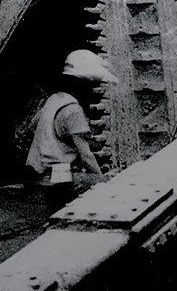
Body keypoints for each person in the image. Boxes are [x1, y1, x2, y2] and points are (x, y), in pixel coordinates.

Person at [29, 49, 115, 204]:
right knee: (104, 185)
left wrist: (59, 146)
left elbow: (33, 126)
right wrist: (103, 180)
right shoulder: (74, 110)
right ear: (83, 82)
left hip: (39, 172)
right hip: (56, 176)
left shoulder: (54, 99)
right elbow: (86, 157)